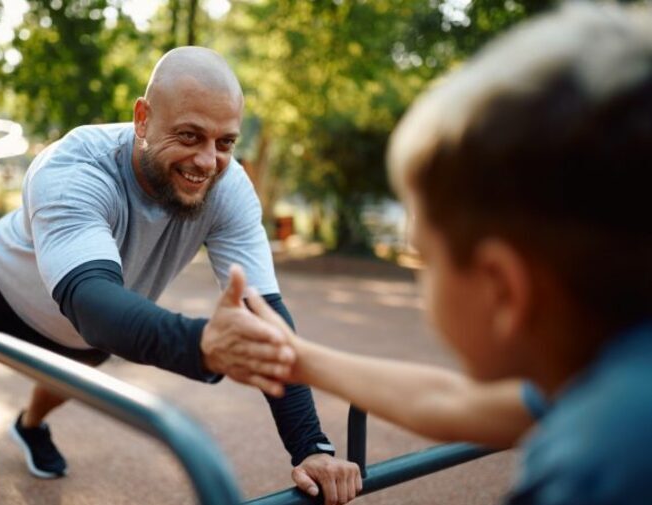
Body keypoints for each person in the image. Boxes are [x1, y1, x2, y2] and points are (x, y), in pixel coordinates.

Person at [0, 47, 361, 505]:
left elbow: (265, 314)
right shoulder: (75, 167)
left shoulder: (226, 184)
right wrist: (200, 343)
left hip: (105, 314)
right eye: (189, 135)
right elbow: (91, 300)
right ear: (143, 118)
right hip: (9, 288)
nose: (207, 160)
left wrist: (310, 445)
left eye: (224, 141)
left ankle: (30, 426)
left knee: (68, 379)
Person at [243, 3, 652, 504]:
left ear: (502, 289)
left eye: (424, 260)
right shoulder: (607, 375)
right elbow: (452, 400)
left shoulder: (593, 469)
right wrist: (295, 358)